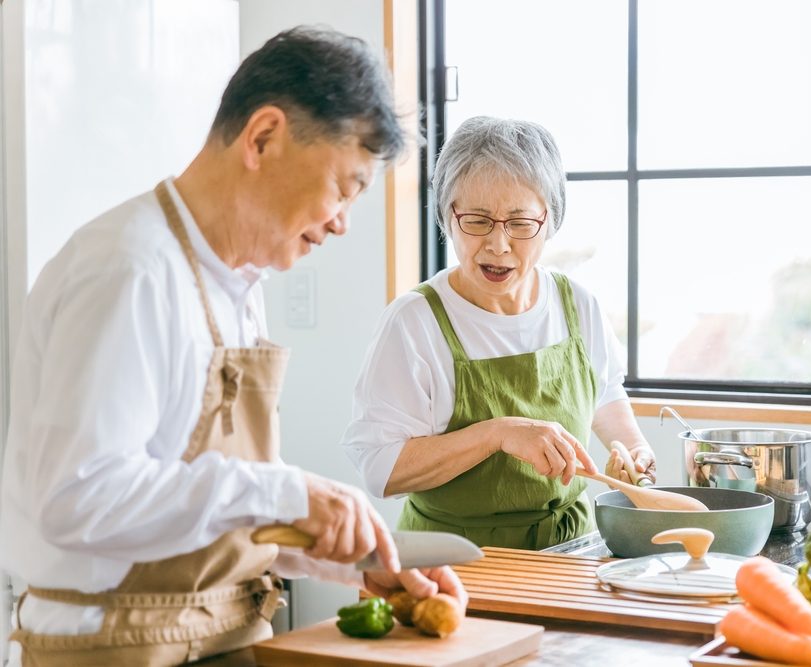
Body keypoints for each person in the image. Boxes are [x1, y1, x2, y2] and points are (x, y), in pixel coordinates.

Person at [0, 28, 465, 667]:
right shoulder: (129, 270)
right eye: (345, 186)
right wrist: (288, 493)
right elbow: (80, 498)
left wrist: (351, 560)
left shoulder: (241, 286)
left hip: (223, 632)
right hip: (117, 648)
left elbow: (202, 513)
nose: (342, 221)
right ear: (263, 137)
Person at [342, 116, 657, 550]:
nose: (498, 244)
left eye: (520, 222)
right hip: (452, 559)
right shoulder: (414, 321)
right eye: (477, 220)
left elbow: (605, 393)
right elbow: (381, 468)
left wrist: (633, 451)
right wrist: (498, 433)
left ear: (549, 222)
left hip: (571, 549)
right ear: (446, 218)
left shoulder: (577, 303)